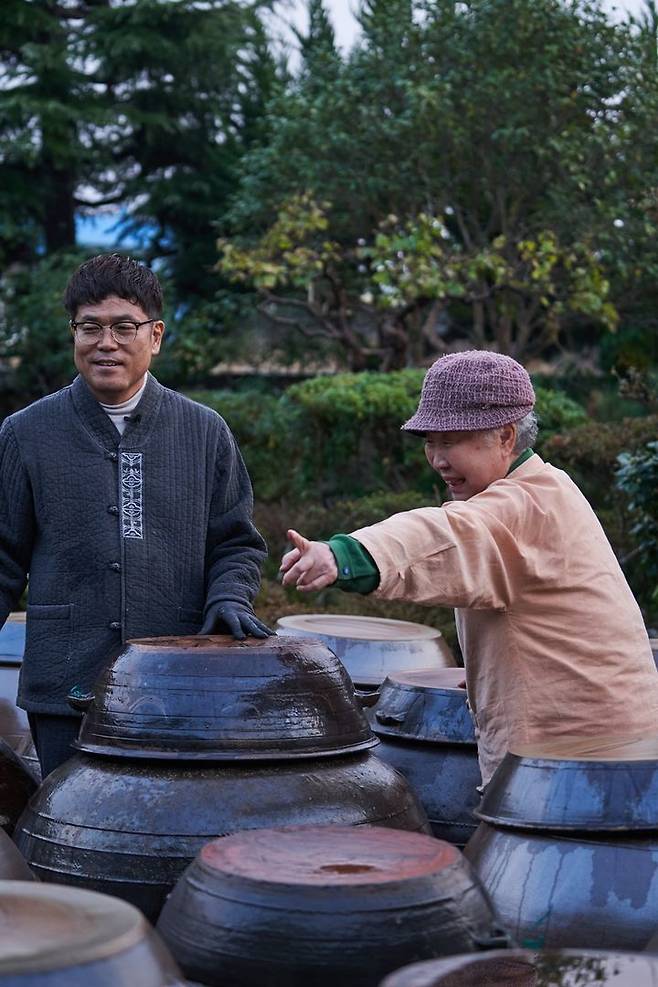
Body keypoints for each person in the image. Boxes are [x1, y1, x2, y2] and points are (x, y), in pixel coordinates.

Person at [280, 350, 658, 788]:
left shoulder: (521, 507)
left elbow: (442, 535)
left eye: (452, 441)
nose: (438, 458)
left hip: (581, 759)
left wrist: (344, 556)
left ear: (506, 436)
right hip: (606, 749)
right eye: (430, 441)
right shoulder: (547, 487)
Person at [0, 253, 269, 776]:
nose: (107, 343)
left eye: (125, 327)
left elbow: (237, 542)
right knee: (65, 833)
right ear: (73, 333)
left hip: (177, 681)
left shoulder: (204, 432)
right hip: (65, 682)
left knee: (168, 834)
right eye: (90, 327)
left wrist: (229, 597)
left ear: (156, 335)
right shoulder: (26, 433)